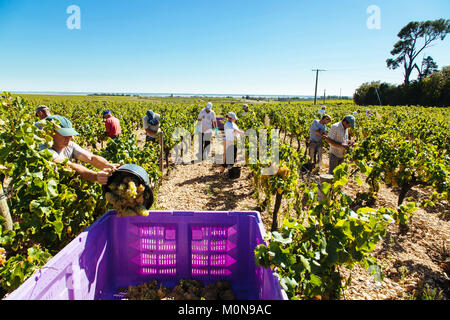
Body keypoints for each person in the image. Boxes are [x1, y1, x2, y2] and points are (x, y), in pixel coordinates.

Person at [41, 115, 120, 184]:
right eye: (65, 134)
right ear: (50, 133)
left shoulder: (68, 144)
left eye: (70, 134)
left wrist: (109, 166)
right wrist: (96, 176)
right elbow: (70, 166)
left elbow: (91, 158)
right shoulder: (44, 150)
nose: (71, 138)